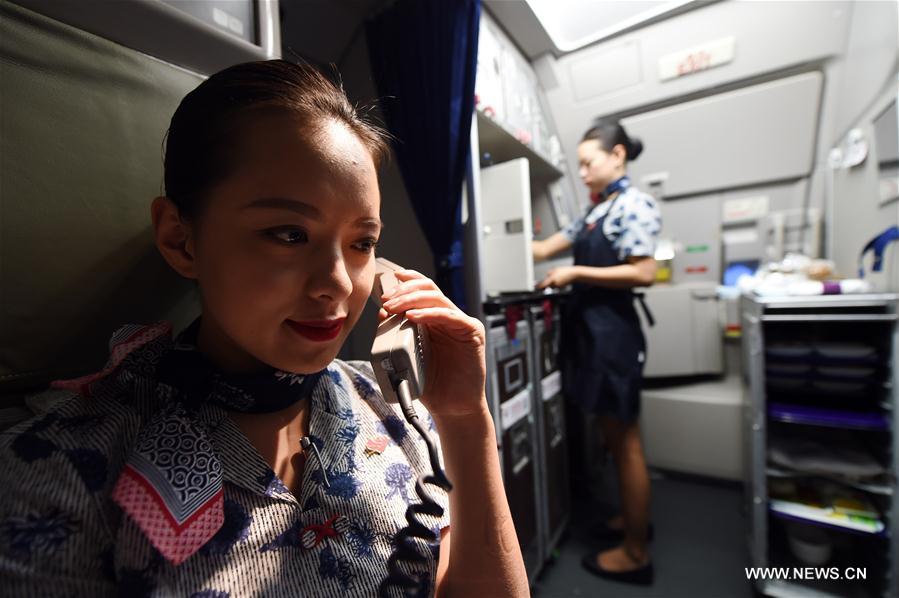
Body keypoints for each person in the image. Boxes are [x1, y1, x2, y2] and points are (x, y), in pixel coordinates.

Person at [0, 60, 528, 597]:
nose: (339, 284)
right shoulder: (60, 470)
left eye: (362, 242)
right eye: (289, 234)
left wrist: (467, 420)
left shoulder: (395, 412)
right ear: (182, 240)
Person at [532, 121, 660, 585]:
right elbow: (546, 246)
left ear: (618, 156)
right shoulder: (596, 212)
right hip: (594, 337)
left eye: (589, 163)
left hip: (614, 339)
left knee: (625, 443)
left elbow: (644, 272)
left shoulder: (634, 206)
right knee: (613, 437)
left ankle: (636, 553)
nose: (582, 173)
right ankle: (631, 519)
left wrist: (574, 274)